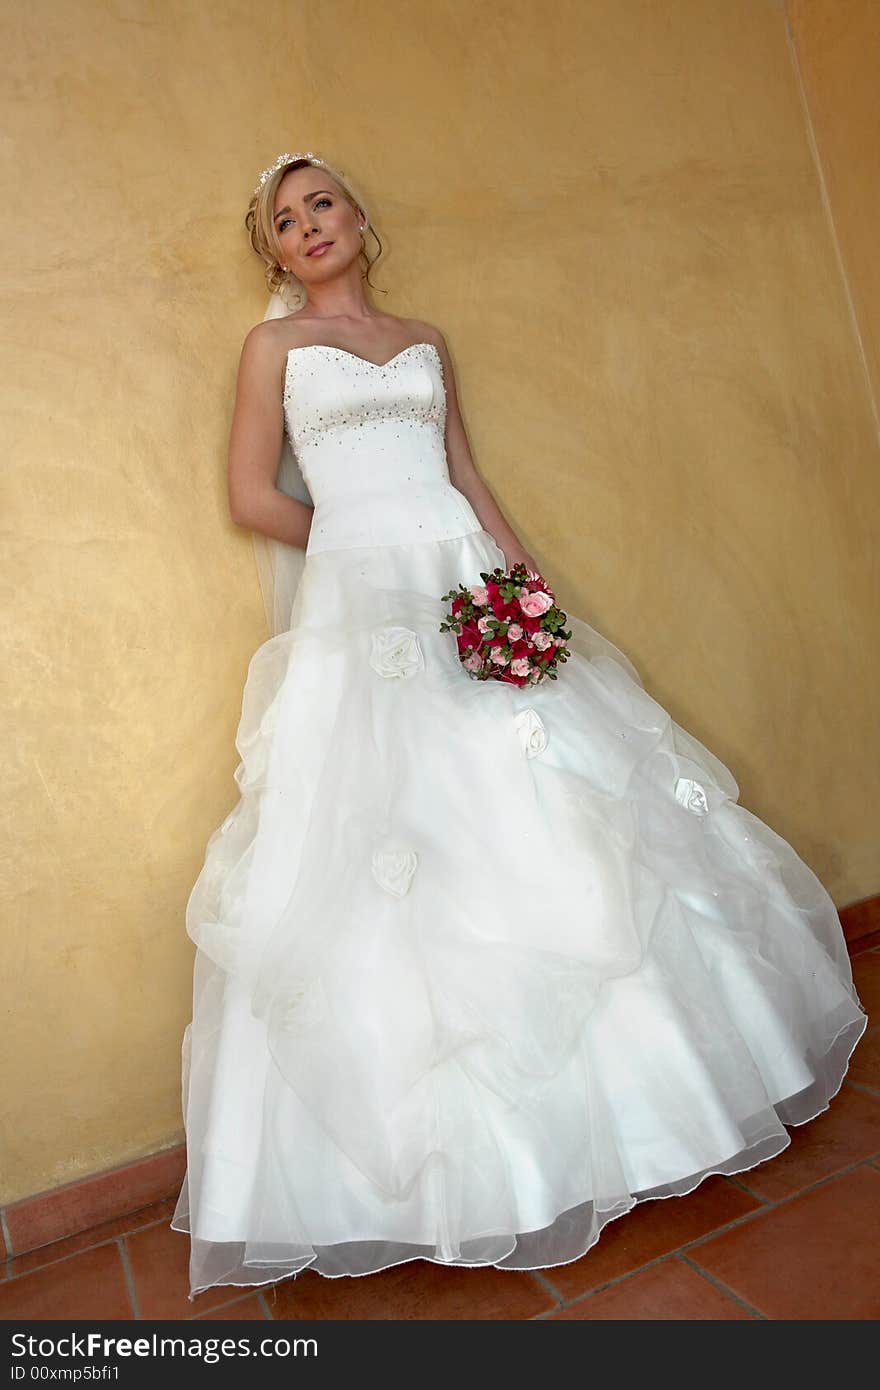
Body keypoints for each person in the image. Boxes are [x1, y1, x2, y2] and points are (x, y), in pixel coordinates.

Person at [170, 151, 867, 1303]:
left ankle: (653, 1117)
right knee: (397, 831)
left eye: (320, 204)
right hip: (362, 602)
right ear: (274, 254)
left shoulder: (426, 336)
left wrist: (516, 574)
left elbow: (463, 472)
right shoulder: (274, 352)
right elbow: (250, 494)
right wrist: (362, 548)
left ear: (358, 215)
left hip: (465, 577)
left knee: (549, 802)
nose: (305, 228)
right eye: (281, 222)